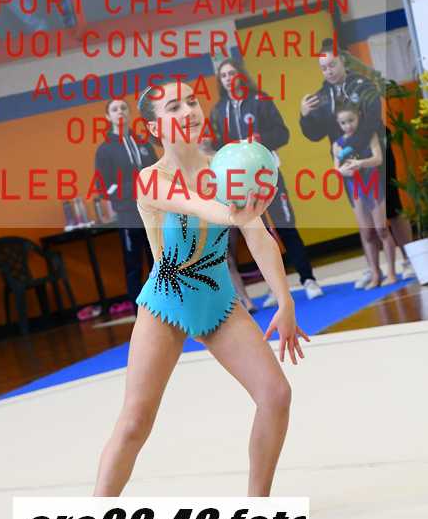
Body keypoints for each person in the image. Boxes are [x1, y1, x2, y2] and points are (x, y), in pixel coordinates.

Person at [93, 81, 309, 497]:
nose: (188, 111)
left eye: (192, 101)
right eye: (174, 107)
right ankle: (94, 516)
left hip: (218, 300)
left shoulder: (223, 167)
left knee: (276, 394)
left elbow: (258, 236)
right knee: (135, 421)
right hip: (166, 302)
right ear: (154, 128)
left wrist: (285, 301)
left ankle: (257, 507)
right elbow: (199, 206)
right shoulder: (151, 180)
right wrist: (237, 212)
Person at [299, 38, 415, 285]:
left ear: (342, 61)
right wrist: (305, 116)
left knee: (392, 209)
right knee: (365, 219)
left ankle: (409, 259)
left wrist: (350, 149)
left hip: (375, 155)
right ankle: (374, 270)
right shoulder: (321, 96)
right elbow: (315, 134)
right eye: (323, 68)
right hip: (348, 166)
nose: (328, 71)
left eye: (332, 65)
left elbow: (372, 121)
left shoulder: (363, 85)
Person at [211, 57, 323, 308]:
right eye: (224, 75)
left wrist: (261, 139)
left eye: (232, 73)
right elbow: (219, 145)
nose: (229, 79)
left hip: (267, 175)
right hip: (240, 183)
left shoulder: (260, 100)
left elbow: (282, 133)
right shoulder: (219, 110)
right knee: (258, 233)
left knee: (286, 226)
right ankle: (276, 287)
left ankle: (308, 279)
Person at [95, 99, 159, 315]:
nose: (120, 112)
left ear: (129, 113)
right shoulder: (105, 150)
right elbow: (103, 187)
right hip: (128, 215)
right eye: (114, 109)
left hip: (152, 211)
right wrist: (133, 188)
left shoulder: (143, 143)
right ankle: (139, 312)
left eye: (123, 108)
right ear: (108, 117)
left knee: (159, 258)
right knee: (134, 264)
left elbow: (157, 173)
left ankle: (168, 304)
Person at [333, 102, 396, 288]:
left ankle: (392, 272)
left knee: (381, 229)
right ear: (338, 123)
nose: (348, 125)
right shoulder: (338, 144)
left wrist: (360, 163)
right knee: (367, 233)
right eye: (343, 123)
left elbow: (378, 159)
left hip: (372, 184)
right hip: (356, 188)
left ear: (358, 117)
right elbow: (336, 169)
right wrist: (344, 170)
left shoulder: (370, 135)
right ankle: (375, 274)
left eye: (351, 120)